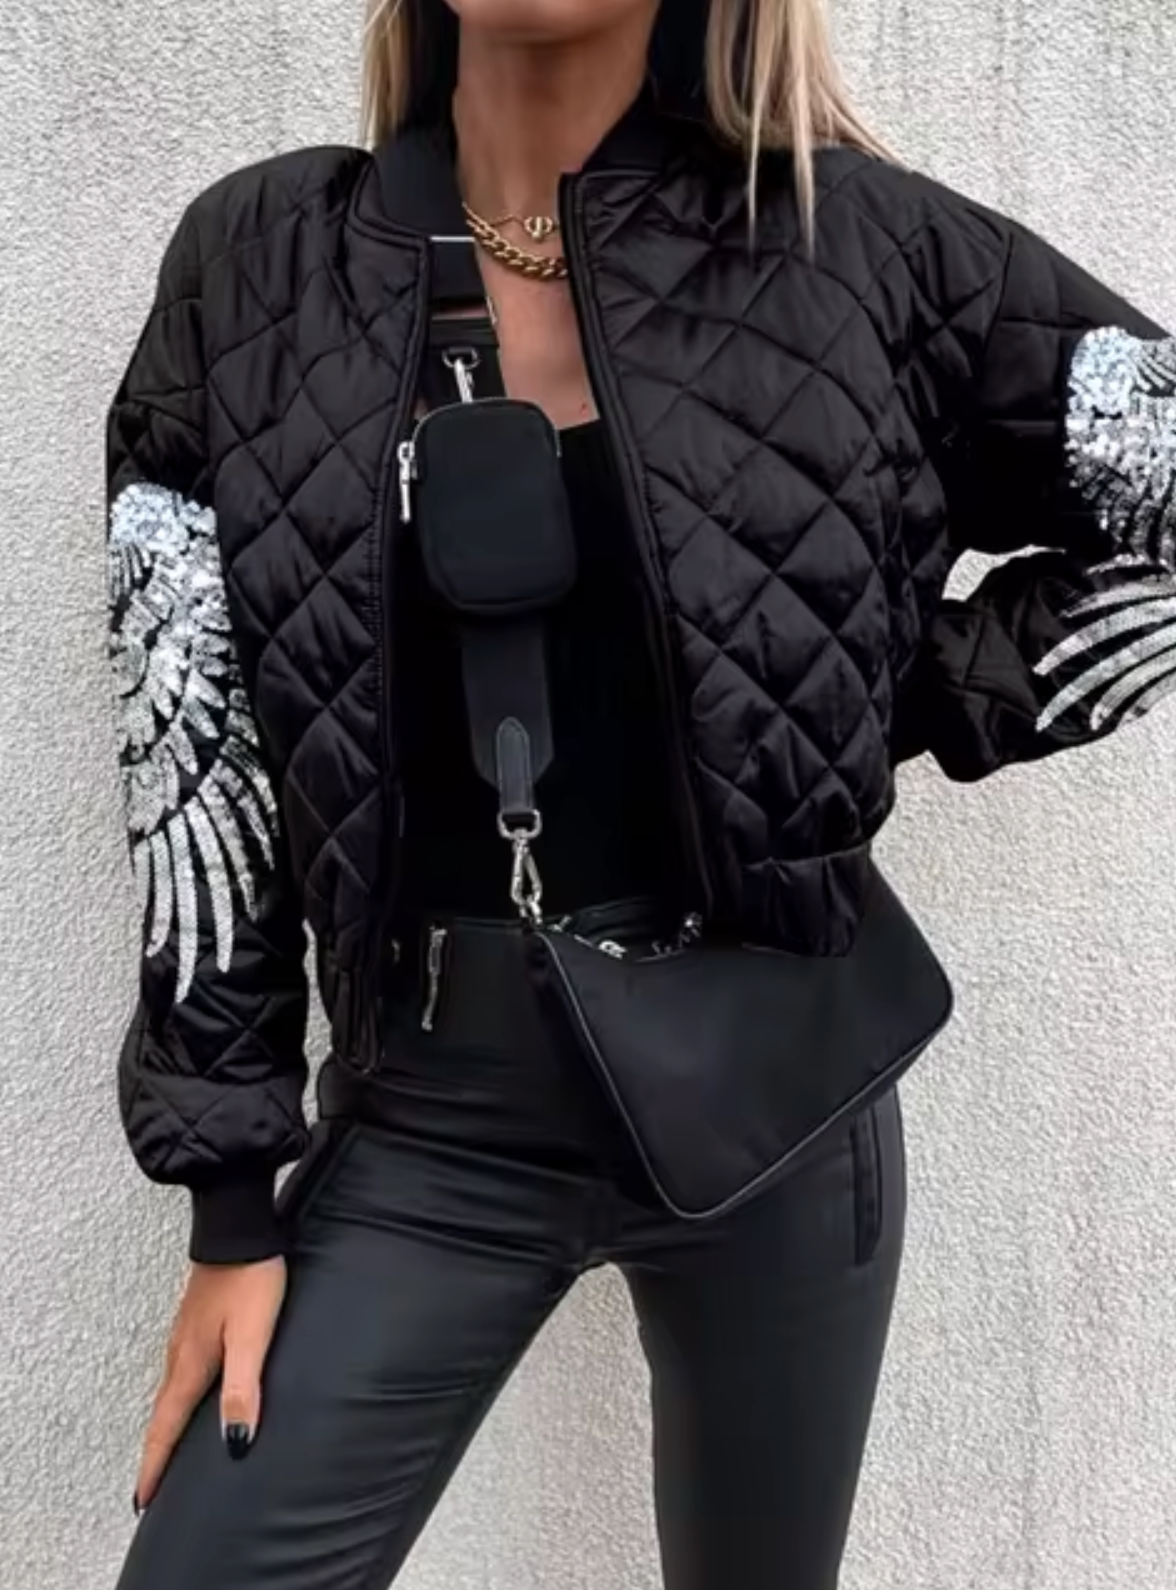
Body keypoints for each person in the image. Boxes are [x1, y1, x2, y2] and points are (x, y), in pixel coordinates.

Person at [106, 1, 1176, 1586]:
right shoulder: (260, 266)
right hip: (431, 1125)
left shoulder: (849, 249)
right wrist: (229, 1207)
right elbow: (189, 741)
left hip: (779, 1099)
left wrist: (891, 694)